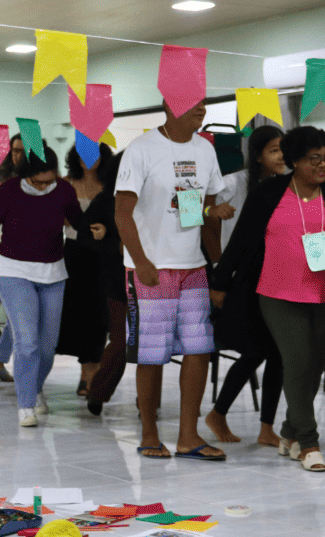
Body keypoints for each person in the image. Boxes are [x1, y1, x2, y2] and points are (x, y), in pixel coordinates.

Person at [210, 126, 325, 472]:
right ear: (295, 161)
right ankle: (309, 443)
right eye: (314, 158)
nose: (323, 164)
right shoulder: (268, 193)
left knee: (315, 366)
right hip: (277, 292)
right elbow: (242, 239)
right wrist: (220, 281)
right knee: (297, 361)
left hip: (324, 293)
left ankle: (289, 432)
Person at [115, 100, 234, 460]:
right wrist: (141, 261)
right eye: (193, 101)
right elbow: (122, 214)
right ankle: (149, 434)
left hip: (193, 266)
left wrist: (218, 265)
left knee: (200, 349)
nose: (201, 108)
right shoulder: (141, 149)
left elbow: (199, 212)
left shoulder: (205, 150)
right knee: (152, 354)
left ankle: (188, 437)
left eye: (203, 101)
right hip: (151, 267)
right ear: (170, 104)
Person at [0, 146, 104, 426]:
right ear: (25, 174)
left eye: (49, 181)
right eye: (39, 182)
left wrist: (96, 231)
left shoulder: (63, 190)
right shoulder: (7, 191)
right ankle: (25, 405)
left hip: (53, 273)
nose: (44, 187)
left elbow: (78, 222)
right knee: (27, 342)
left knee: (47, 348)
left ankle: (35, 388)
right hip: (14, 272)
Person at [204, 125, 287, 446]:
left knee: (277, 353)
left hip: (282, 278)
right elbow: (188, 207)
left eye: (284, 150)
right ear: (258, 155)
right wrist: (212, 211)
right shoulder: (233, 183)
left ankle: (266, 428)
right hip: (244, 278)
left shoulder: (291, 185)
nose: (281, 156)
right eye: (274, 150)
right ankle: (219, 414)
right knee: (257, 350)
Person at [58, 144, 115, 396]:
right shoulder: (66, 183)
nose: (87, 159)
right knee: (77, 313)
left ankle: (94, 371)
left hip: (103, 254)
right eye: (82, 153)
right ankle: (85, 370)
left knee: (100, 313)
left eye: (93, 154)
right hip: (73, 253)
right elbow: (54, 217)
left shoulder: (110, 185)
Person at [81, 148, 131, 415]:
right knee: (121, 342)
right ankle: (98, 392)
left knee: (155, 344)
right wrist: (116, 246)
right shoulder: (107, 199)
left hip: (162, 277)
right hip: (118, 280)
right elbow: (84, 236)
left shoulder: (161, 194)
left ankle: (148, 405)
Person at [0, 133, 27, 372]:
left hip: (39, 253)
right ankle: (3, 361)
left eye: (22, 150)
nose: (18, 155)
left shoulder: (45, 179)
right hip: (8, 253)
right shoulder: (2, 183)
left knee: (22, 312)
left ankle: (0, 361)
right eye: (15, 150)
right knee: (19, 310)